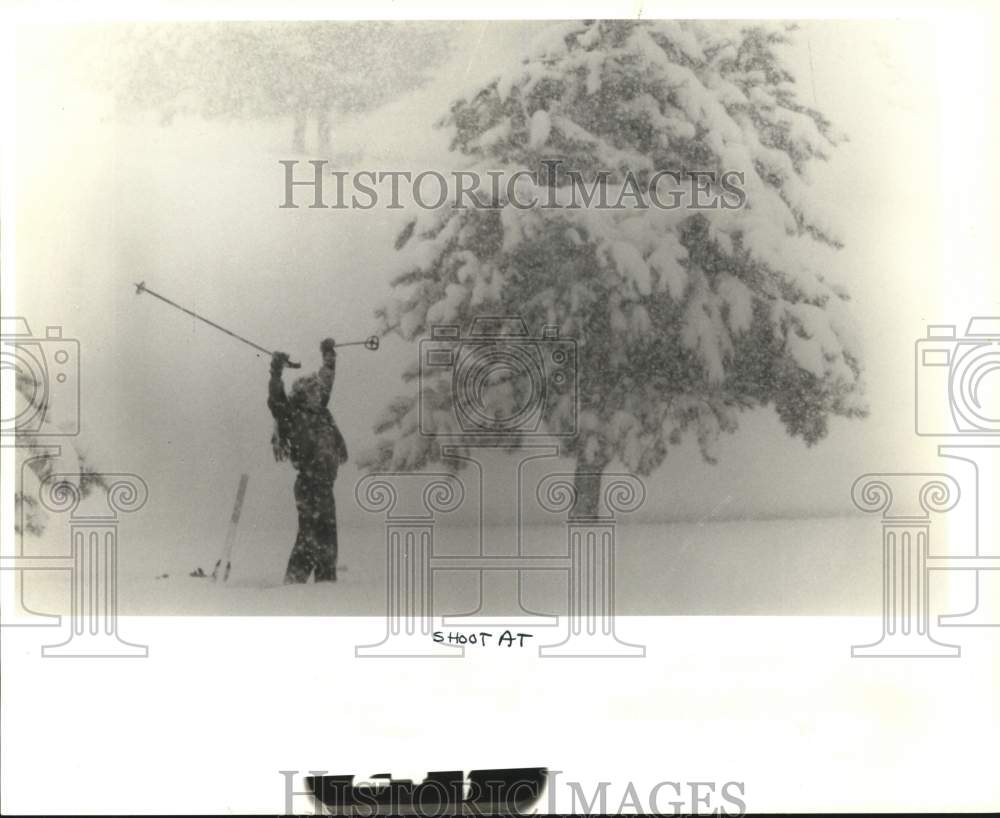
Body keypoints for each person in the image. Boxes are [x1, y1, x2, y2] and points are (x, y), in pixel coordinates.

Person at [268, 338, 348, 583]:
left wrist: (328, 355)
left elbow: (327, 380)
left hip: (323, 483)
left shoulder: (321, 411)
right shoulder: (293, 414)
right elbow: (276, 399)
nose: (318, 393)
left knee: (327, 536)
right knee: (310, 535)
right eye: (313, 391)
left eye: (317, 390)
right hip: (309, 483)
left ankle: (326, 583)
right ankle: (295, 582)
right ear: (303, 395)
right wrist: (276, 370)